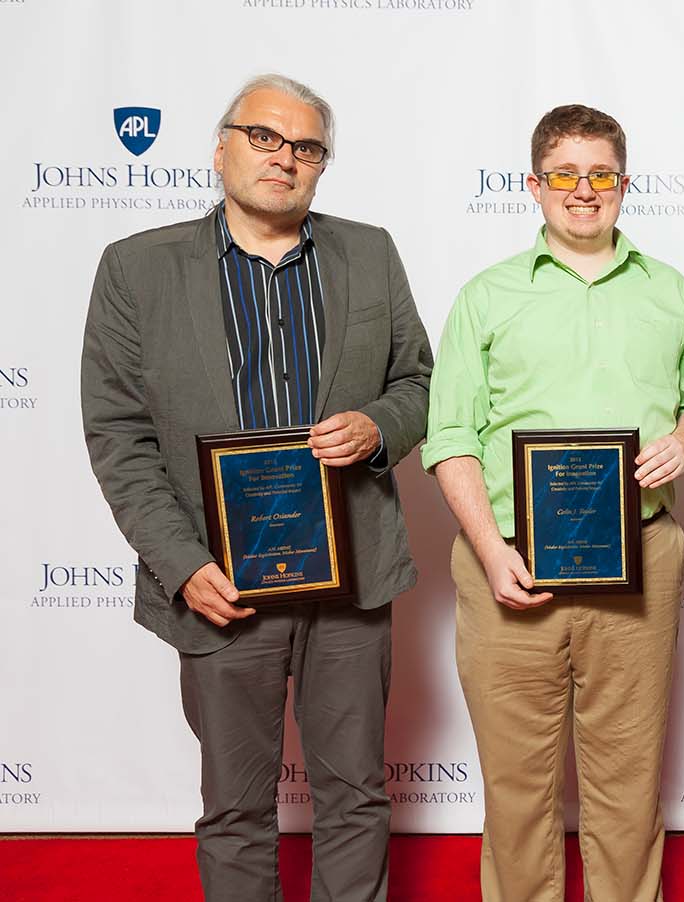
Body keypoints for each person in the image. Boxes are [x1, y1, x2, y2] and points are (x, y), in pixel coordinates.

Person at [80, 74, 432, 901]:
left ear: (322, 165)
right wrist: (178, 562)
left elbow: (418, 382)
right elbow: (119, 436)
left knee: (355, 797)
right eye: (265, 137)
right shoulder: (137, 268)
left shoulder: (370, 251)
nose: (286, 159)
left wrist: (379, 426)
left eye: (306, 146)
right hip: (218, 581)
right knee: (235, 810)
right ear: (220, 148)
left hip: (349, 579)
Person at [422, 104, 684, 902]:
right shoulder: (486, 296)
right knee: (518, 792)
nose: (583, 191)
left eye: (601, 175)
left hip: (638, 559)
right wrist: (490, 551)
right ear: (534, 185)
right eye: (564, 174)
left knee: (627, 786)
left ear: (625, 183)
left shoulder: (671, 291)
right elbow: (448, 437)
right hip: (507, 561)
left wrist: (683, 444)